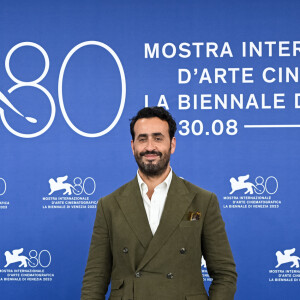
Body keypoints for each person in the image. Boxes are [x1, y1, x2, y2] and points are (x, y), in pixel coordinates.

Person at [81, 106, 237, 300]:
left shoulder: (203, 201)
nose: (149, 147)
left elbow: (224, 274)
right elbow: (95, 278)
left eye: (158, 138)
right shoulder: (109, 205)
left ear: (172, 144)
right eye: (142, 138)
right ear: (133, 146)